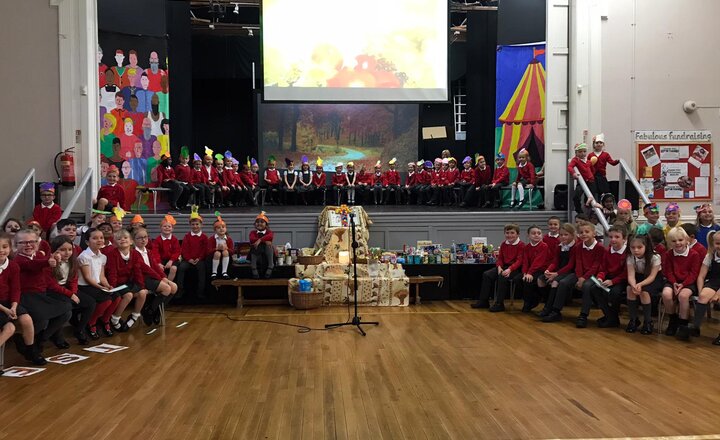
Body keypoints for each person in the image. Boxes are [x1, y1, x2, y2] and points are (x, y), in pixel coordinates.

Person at [14, 229, 72, 352]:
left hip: (42, 294)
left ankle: (42, 339)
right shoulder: (17, 260)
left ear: (38, 243)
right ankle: (25, 340)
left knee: (66, 311)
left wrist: (53, 259)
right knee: (42, 319)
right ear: (16, 245)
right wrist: (48, 261)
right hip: (26, 297)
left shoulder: (39, 256)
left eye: (32, 242)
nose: (28, 245)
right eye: (23, 242)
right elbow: (32, 265)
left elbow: (47, 276)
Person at [542, 221, 604, 323]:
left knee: (587, 286)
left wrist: (583, 278)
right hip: (579, 274)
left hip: (594, 276)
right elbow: (578, 263)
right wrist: (579, 277)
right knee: (563, 282)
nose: (584, 234)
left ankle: (583, 315)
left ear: (594, 233)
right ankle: (556, 311)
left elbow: (596, 266)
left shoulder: (600, 247)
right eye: (581, 232)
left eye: (587, 232)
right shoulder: (578, 247)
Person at [0, 232, 46, 366]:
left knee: (26, 319)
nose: (1, 251)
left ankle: (31, 350)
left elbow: (16, 289)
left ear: (10, 248)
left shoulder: (13, 266)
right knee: (9, 327)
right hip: (1, 306)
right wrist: (6, 310)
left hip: (9, 302)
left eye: (4, 247)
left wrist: (14, 306)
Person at [44, 236, 96, 345]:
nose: (67, 253)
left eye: (70, 249)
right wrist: (71, 295)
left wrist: (73, 292)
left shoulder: (72, 261)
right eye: (62, 250)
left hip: (68, 289)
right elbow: (52, 285)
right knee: (66, 307)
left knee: (90, 303)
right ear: (54, 250)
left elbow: (73, 279)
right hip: (54, 292)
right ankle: (57, 335)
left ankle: (79, 330)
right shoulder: (50, 263)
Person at [576, 224, 628, 329]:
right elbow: (602, 268)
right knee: (594, 288)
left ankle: (613, 318)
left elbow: (625, 273)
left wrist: (612, 281)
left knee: (615, 293)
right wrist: (600, 278)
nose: (613, 240)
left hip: (621, 281)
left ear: (624, 239)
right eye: (611, 237)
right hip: (607, 279)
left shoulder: (627, 253)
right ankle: (609, 317)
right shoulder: (608, 251)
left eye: (617, 237)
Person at [661, 227, 703, 338]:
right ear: (670, 243)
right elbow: (668, 271)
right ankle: (672, 319)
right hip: (673, 281)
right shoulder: (668, 254)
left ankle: (683, 323)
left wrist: (683, 284)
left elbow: (694, 273)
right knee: (666, 294)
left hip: (689, 282)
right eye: (674, 241)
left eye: (680, 240)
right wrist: (674, 283)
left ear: (686, 240)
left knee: (683, 296)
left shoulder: (694, 254)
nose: (677, 243)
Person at [472, 224, 525, 311]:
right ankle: (483, 301)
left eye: (512, 233)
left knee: (502, 276)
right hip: (504, 266)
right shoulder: (504, 244)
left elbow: (519, 261)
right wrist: (499, 267)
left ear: (518, 234)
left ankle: (499, 303)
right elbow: (500, 258)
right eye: (507, 233)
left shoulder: (521, 245)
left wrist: (509, 269)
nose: (509, 235)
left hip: (515, 268)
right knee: (487, 274)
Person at [104, 229, 148, 333]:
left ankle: (135, 316)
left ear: (131, 241)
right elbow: (112, 273)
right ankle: (115, 318)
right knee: (128, 295)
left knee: (143, 292)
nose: (122, 240)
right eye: (119, 239)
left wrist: (141, 285)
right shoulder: (112, 254)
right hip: (117, 284)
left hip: (128, 283)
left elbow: (138, 271)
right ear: (115, 242)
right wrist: (112, 286)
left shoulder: (135, 253)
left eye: (125, 238)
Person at [131, 227, 177, 326]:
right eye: (140, 238)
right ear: (133, 239)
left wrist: (164, 277)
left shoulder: (148, 251)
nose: (143, 240)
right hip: (142, 279)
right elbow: (146, 270)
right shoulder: (134, 253)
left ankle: (156, 310)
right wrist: (160, 279)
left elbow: (155, 266)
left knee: (174, 287)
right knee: (167, 288)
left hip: (151, 277)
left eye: (145, 237)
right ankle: (150, 311)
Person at [77, 228, 117, 339]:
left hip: (96, 285)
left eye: (101, 238)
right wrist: (100, 287)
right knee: (106, 299)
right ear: (87, 242)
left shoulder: (102, 257)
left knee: (117, 296)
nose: (99, 240)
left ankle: (105, 320)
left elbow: (101, 276)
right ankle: (91, 322)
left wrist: (107, 285)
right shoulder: (84, 256)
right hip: (85, 286)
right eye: (95, 238)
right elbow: (87, 278)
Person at [626, 234, 662, 335]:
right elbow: (631, 275)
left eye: (639, 247)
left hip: (653, 279)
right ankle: (633, 319)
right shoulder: (630, 257)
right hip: (639, 277)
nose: (636, 250)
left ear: (646, 246)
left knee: (644, 292)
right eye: (633, 247)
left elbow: (652, 277)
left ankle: (648, 321)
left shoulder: (655, 257)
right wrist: (634, 285)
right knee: (629, 289)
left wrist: (640, 285)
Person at [538, 223, 576, 317]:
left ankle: (552, 309)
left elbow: (570, 265)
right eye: (561, 235)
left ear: (572, 235)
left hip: (570, 272)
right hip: (559, 271)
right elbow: (555, 262)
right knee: (541, 280)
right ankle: (548, 304)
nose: (563, 237)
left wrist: (556, 274)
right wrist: (548, 270)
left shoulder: (575, 247)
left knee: (555, 282)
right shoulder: (559, 246)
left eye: (566, 235)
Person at [176, 206, 209, 299]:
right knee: (181, 267)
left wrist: (199, 258)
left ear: (201, 225)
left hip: (199, 259)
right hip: (188, 260)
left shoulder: (204, 237)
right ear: (190, 225)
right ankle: (180, 290)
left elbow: (205, 250)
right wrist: (189, 259)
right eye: (193, 224)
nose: (195, 226)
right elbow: (184, 250)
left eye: (197, 224)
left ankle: (200, 291)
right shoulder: (187, 236)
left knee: (202, 268)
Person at [696, 231, 720, 344]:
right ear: (713, 243)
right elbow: (701, 276)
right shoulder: (710, 255)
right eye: (718, 243)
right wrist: (700, 291)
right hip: (714, 282)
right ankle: (695, 327)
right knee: (703, 296)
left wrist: (717, 294)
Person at [519, 225, 549, 313]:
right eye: (533, 233)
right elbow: (525, 262)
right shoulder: (526, 247)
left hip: (542, 269)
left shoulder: (544, 246)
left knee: (528, 280)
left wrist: (529, 273)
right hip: (530, 270)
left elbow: (538, 262)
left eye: (539, 233)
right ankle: (529, 299)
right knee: (518, 279)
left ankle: (530, 302)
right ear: (528, 235)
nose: (536, 235)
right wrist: (525, 273)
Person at [567, 143, 595, 215]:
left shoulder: (588, 161)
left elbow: (592, 170)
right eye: (580, 152)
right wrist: (574, 173)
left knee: (590, 196)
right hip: (582, 182)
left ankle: (589, 211)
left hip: (591, 181)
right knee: (576, 196)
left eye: (584, 151)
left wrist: (592, 176)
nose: (582, 153)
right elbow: (570, 167)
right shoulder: (575, 160)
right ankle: (579, 211)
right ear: (576, 153)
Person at [153, 215, 180, 281]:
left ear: (172, 229)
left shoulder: (174, 239)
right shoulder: (157, 240)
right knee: (159, 268)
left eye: (169, 226)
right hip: (161, 259)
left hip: (172, 259)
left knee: (173, 268)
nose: (167, 228)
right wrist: (159, 263)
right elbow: (155, 253)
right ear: (160, 228)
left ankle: (169, 283)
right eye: (164, 226)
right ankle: (163, 283)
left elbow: (177, 251)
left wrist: (171, 261)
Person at [208, 214, 233, 280]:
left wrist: (227, 248)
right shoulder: (212, 239)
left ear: (226, 228)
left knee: (225, 252)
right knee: (217, 253)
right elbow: (208, 251)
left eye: (223, 227)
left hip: (226, 256)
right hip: (214, 257)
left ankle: (224, 272)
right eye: (218, 228)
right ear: (215, 230)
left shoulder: (229, 239)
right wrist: (217, 248)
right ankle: (214, 272)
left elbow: (232, 252)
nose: (221, 229)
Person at [250, 212, 274, 279]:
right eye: (257, 222)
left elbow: (270, 236)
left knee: (269, 245)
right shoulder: (253, 232)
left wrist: (260, 240)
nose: (259, 223)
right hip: (257, 253)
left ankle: (270, 265)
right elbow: (252, 239)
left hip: (267, 253)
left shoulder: (269, 232)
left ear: (266, 224)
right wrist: (264, 241)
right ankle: (253, 267)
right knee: (255, 245)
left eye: (262, 222)